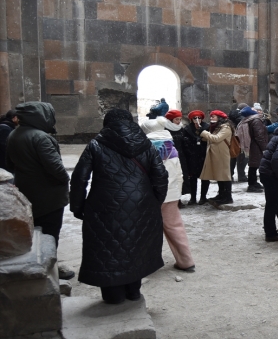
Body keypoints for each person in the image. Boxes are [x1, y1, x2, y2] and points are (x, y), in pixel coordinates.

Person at [69, 109, 168, 304]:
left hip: (103, 205)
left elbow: (79, 178)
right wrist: (155, 201)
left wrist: (77, 206)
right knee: (136, 245)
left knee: (107, 248)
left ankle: (113, 296)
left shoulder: (96, 144)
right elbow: (160, 176)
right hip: (142, 203)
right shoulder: (145, 144)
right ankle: (133, 291)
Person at [6, 102, 74, 280]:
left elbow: (10, 164)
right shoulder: (40, 137)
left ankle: (40, 264)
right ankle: (50, 270)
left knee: (36, 232)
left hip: (27, 190)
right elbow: (56, 168)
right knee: (50, 234)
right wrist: (65, 180)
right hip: (48, 195)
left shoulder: (15, 133)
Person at [141, 115, 196, 272]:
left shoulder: (144, 148)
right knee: (175, 227)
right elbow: (179, 172)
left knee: (147, 228)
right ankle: (186, 261)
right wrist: (176, 192)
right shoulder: (170, 146)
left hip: (150, 193)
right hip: (170, 193)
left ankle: (148, 262)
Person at [200, 110, 234, 206]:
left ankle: (227, 197)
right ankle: (221, 194)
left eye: (213, 116)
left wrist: (204, 133)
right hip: (217, 154)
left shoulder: (226, 127)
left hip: (222, 154)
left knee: (225, 175)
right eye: (210, 116)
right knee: (220, 175)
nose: (211, 118)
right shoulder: (218, 127)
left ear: (219, 118)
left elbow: (217, 138)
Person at [236, 106, 268, 193]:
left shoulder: (248, 120)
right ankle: (252, 184)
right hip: (256, 146)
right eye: (254, 110)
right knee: (254, 165)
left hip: (252, 145)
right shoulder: (256, 120)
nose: (257, 111)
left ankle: (253, 183)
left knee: (254, 165)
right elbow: (259, 136)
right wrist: (264, 148)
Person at [182, 110, 210, 205]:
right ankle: (193, 197)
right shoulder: (187, 129)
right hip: (192, 156)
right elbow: (185, 142)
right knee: (193, 177)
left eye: (199, 118)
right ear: (191, 119)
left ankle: (203, 197)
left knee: (205, 177)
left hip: (204, 155)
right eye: (195, 118)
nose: (197, 119)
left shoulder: (207, 127)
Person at [164, 110, 189, 208]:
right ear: (171, 119)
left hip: (181, 157)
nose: (178, 121)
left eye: (179, 119)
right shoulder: (165, 130)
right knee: (172, 178)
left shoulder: (182, 129)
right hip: (170, 157)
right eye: (176, 119)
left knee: (180, 178)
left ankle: (178, 199)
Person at [229, 103, 249, 182]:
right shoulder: (242, 117)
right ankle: (241, 175)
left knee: (232, 158)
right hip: (240, 139)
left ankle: (229, 176)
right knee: (242, 158)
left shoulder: (231, 114)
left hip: (232, 139)